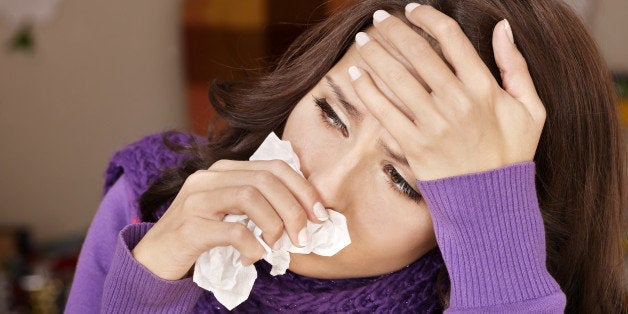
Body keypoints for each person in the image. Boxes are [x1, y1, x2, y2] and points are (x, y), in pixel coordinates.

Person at [66, 0, 625, 312]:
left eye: (404, 181)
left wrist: (494, 220)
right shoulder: (149, 199)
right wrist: (153, 279)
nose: (324, 191)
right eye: (332, 114)